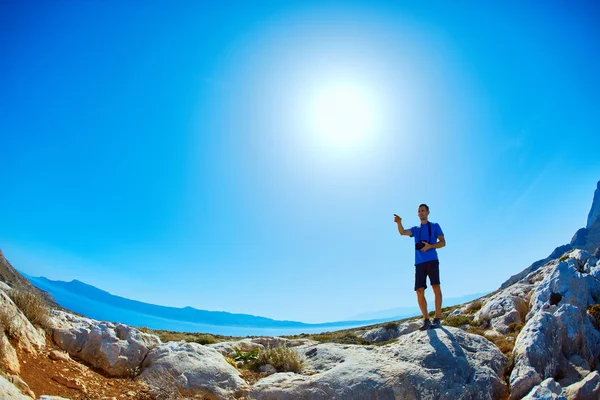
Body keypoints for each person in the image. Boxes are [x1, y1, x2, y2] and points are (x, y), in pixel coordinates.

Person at [394, 204, 446, 330]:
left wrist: (430, 246)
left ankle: (437, 319)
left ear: (428, 212)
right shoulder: (416, 229)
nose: (421, 213)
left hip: (432, 260)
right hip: (419, 263)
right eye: (419, 211)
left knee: (435, 287)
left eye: (423, 211)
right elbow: (402, 232)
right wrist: (399, 223)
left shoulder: (434, 226)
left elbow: (443, 243)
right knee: (419, 291)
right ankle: (426, 320)